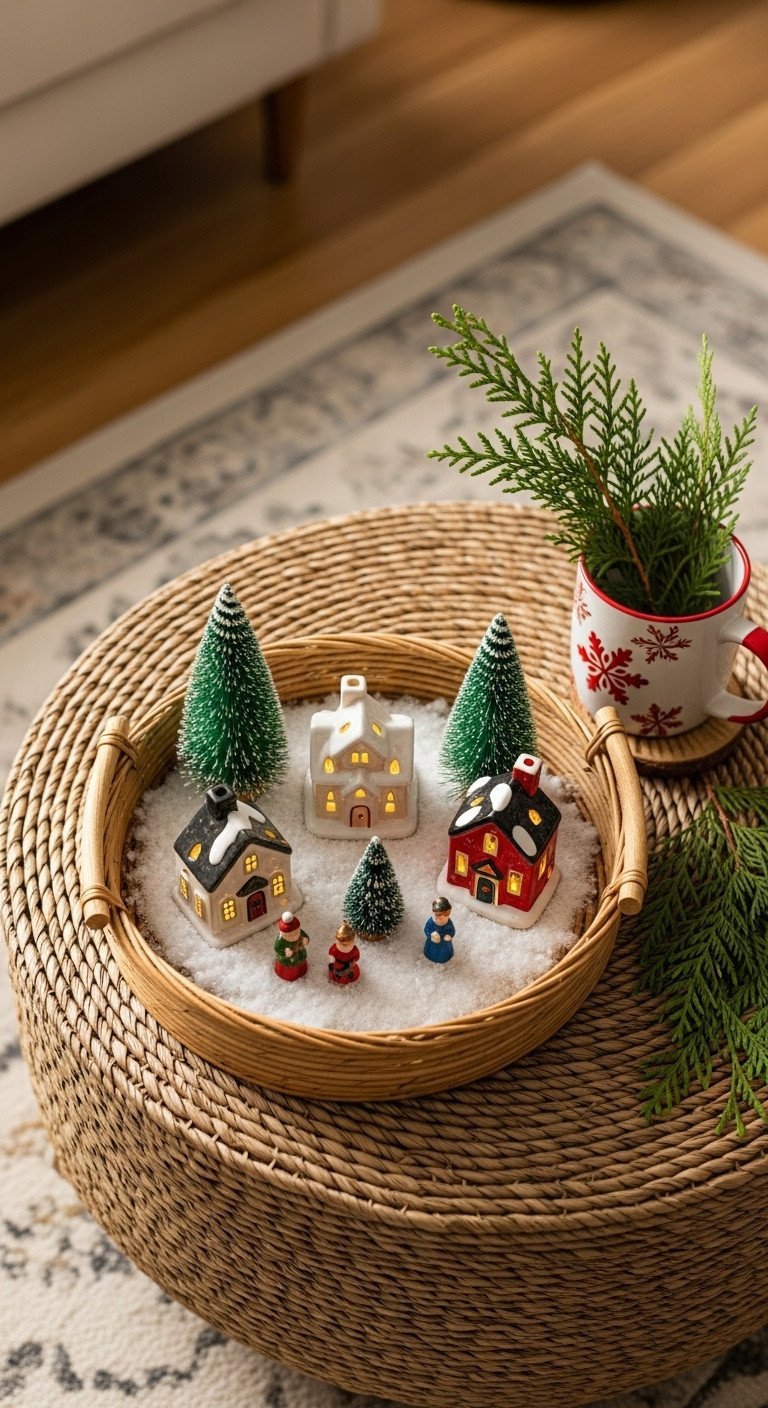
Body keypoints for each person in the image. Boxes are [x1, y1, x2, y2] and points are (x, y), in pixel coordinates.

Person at [274, 910, 309, 981]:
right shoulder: (281, 940)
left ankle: (302, 970)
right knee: (291, 969)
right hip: (289, 959)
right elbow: (277, 948)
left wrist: (305, 939)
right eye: (290, 935)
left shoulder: (300, 932)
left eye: (296, 932)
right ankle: (291, 976)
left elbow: (305, 936)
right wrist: (285, 953)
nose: (294, 936)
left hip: (299, 952)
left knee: (301, 963)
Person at [423, 897, 456, 964]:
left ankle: (445, 957)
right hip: (432, 945)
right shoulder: (431, 922)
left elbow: (452, 930)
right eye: (438, 915)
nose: (441, 917)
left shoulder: (448, 922)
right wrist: (431, 935)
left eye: (446, 914)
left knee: (444, 953)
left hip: (445, 945)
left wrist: (449, 935)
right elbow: (427, 929)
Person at [328, 921, 361, 985]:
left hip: (349, 966)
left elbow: (356, 957)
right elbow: (331, 954)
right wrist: (332, 959)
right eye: (341, 945)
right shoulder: (334, 949)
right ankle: (337, 976)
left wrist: (353, 962)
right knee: (337, 972)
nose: (345, 948)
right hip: (337, 965)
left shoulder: (354, 950)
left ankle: (349, 977)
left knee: (349, 972)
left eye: (349, 945)